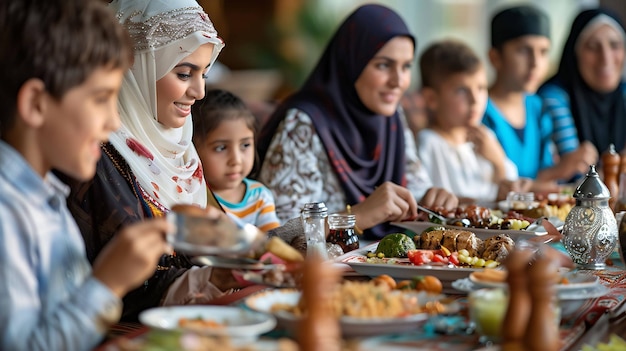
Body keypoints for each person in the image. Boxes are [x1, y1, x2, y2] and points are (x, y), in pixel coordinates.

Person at [0, 0, 170, 349]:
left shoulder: (47, 195)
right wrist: (107, 283)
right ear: (35, 103)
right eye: (101, 98)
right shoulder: (7, 212)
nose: (115, 121)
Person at [61, 0, 237, 322]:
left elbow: (221, 246)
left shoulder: (182, 151)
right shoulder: (93, 157)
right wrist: (209, 279)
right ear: (135, 70)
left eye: (205, 74)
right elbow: (127, 285)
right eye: (184, 73)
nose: (199, 91)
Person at [257, 4, 458, 239]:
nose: (398, 81)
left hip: (387, 260)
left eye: (406, 67)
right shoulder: (303, 123)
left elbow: (414, 186)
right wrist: (358, 216)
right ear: (351, 63)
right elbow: (279, 235)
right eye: (383, 65)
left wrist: (430, 200)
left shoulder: (392, 117)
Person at [483, 5, 594, 185]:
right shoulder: (477, 111)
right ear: (495, 57)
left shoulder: (537, 107)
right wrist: (561, 169)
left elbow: (544, 178)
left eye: (543, 52)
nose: (535, 63)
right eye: (523, 50)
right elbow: (491, 186)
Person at [417, 39, 532, 203]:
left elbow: (508, 192)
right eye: (462, 90)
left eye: (481, 88)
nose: (475, 100)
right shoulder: (428, 144)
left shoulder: (485, 138)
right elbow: (424, 200)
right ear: (431, 99)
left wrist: (498, 162)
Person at [538, 8, 626, 157]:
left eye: (615, 45)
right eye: (592, 47)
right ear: (575, 53)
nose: (606, 58)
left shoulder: (623, 94)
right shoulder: (553, 97)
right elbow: (575, 170)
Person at [192, 89, 281, 232]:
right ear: (194, 149)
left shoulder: (259, 197)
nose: (236, 160)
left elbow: (273, 243)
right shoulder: (194, 198)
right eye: (221, 148)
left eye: (245, 145)